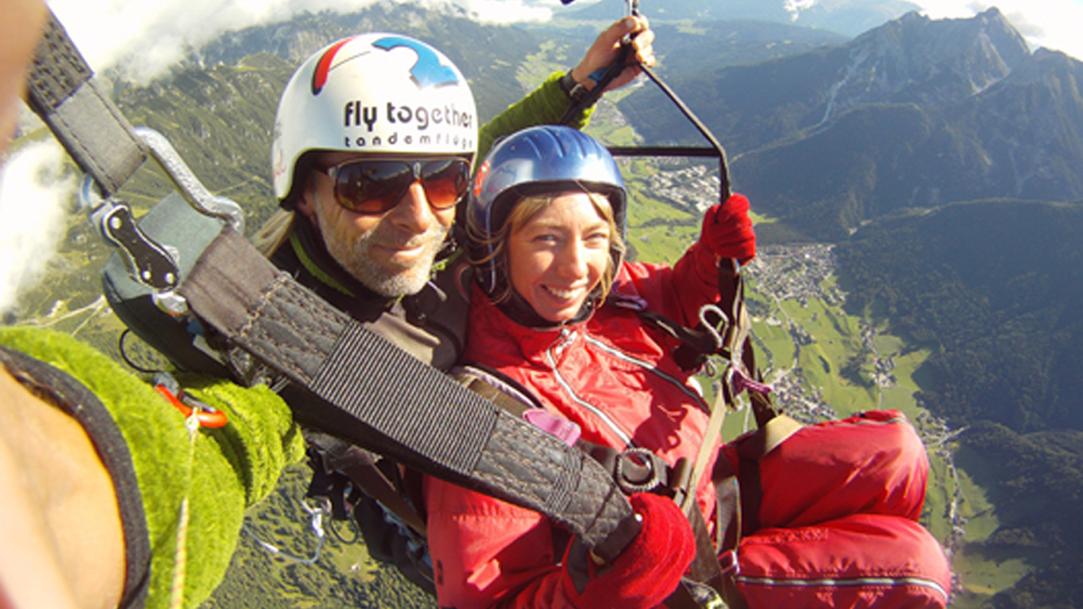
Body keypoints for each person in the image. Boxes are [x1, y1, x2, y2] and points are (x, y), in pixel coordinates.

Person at [0, 4, 659, 609]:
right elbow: (220, 440)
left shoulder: (427, 218)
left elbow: (483, 153)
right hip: (481, 531)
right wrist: (79, 519)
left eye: (443, 178)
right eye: (370, 183)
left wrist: (581, 85)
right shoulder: (276, 332)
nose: (417, 216)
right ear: (304, 193)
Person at [422, 125, 953, 608]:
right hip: (681, 577)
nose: (576, 267)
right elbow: (489, 599)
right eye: (546, 238)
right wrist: (613, 585)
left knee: (898, 453)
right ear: (495, 247)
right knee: (918, 572)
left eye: (594, 237)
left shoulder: (598, 300)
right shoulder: (486, 414)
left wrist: (710, 260)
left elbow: (671, 295)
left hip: (716, 485)